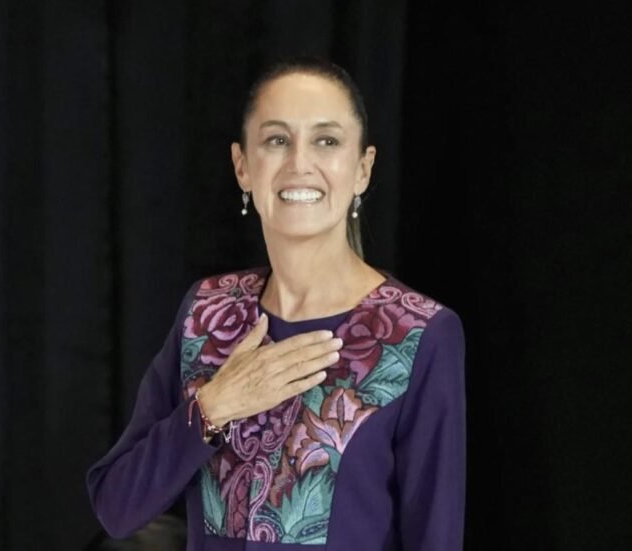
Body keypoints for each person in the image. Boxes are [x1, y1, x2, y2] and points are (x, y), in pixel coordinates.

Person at [86, 57, 466, 550]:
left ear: (362, 169)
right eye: (277, 140)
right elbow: (116, 507)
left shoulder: (417, 334)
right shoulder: (207, 314)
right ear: (243, 166)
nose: (299, 163)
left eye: (326, 141)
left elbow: (434, 536)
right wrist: (215, 405)